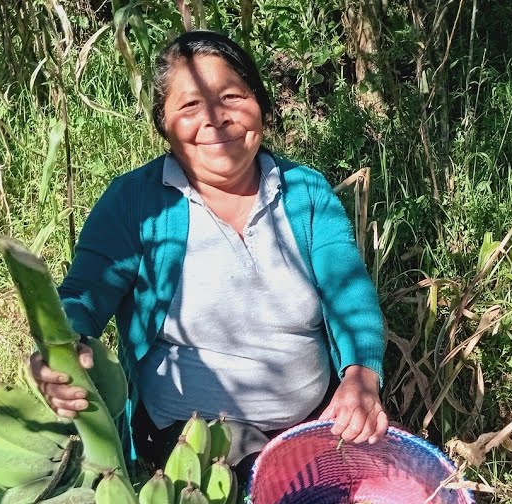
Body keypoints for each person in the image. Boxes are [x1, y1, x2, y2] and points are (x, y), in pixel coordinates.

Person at [29, 30, 387, 469]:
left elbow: (349, 292)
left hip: (316, 426)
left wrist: (361, 378)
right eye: (190, 105)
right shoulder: (135, 203)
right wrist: (60, 347)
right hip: (193, 443)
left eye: (232, 96)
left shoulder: (305, 192)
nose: (215, 118)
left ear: (260, 104)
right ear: (163, 123)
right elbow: (85, 292)